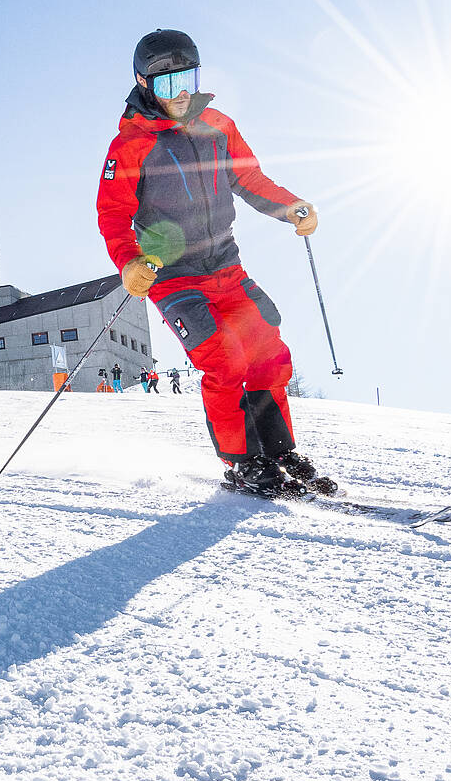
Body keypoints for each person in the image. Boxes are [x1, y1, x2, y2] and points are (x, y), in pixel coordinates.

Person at [95, 29, 337, 497]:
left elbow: (249, 178)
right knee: (224, 362)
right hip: (175, 278)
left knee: (269, 354)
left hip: (227, 267)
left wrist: (291, 207)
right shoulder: (129, 147)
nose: (180, 93)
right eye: (167, 85)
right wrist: (129, 264)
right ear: (144, 84)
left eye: (187, 78)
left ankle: (278, 450)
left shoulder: (218, 126)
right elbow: (113, 216)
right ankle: (243, 462)